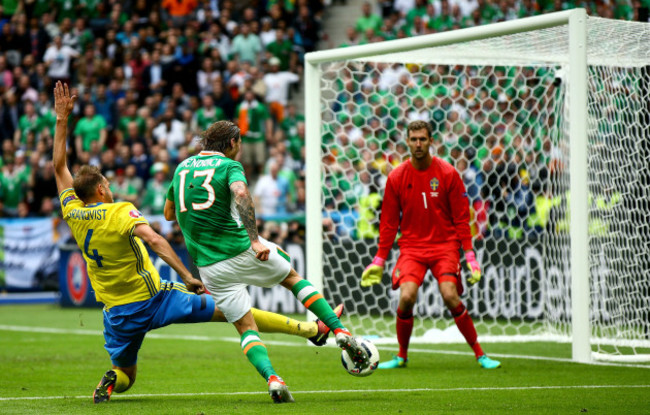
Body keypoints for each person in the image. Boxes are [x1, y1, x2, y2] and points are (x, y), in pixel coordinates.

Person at [50, 83, 341, 405]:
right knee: (235, 313)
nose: (110, 187)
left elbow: (58, 167)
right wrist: (187, 276)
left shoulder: (72, 212)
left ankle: (109, 380)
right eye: (107, 184)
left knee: (126, 376)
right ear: (102, 191)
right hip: (156, 299)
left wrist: (62, 121)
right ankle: (312, 331)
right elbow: (156, 239)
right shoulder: (120, 212)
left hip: (117, 313)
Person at [164, 120, 370, 403]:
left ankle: (273, 379)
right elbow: (240, 192)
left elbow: (168, 213)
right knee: (292, 278)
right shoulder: (229, 166)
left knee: (246, 328)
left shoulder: (181, 168)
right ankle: (340, 330)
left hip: (209, 267)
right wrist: (255, 239)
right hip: (240, 248)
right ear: (233, 142)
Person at [361, 120, 501, 370]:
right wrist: (379, 260)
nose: (418, 144)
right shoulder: (396, 177)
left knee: (449, 294)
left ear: (431, 141)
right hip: (412, 248)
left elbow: (461, 218)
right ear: (407, 141)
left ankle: (480, 354)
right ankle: (401, 356)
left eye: (422, 139)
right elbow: (389, 223)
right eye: (413, 139)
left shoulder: (447, 173)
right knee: (406, 296)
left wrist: (469, 256)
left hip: (444, 245)